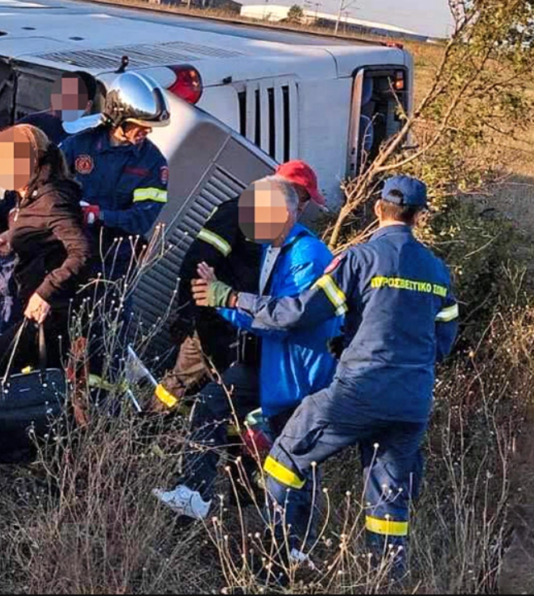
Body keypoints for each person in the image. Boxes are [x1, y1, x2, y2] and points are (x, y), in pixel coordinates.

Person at [199, 175, 459, 577]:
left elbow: (300, 312)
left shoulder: (360, 259)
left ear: (377, 209)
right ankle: (385, 580)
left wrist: (233, 298)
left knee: (283, 461)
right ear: (419, 217)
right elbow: (443, 337)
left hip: (357, 392)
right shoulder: (437, 271)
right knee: (388, 506)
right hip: (411, 401)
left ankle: (279, 561)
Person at [154, 173, 339, 520]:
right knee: (212, 403)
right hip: (268, 361)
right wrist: (218, 301)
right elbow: (259, 315)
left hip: (296, 372)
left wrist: (228, 298)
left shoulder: (307, 254)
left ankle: (297, 544)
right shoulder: (272, 249)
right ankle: (195, 493)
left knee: (294, 457)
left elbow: (286, 318)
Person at [151, 160, 327, 412]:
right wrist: (187, 314)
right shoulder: (239, 212)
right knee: (186, 384)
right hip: (212, 318)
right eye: (301, 196)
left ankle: (187, 436)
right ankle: (148, 427)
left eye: (304, 200)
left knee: (222, 394)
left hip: (237, 320)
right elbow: (198, 261)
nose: (301, 205)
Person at [59, 72, 171, 380]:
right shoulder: (78, 145)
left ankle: (101, 406)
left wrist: (101, 216)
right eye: (139, 124)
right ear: (118, 117)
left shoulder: (152, 164)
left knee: (108, 342)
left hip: (115, 263)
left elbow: (144, 217)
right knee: (58, 330)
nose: (145, 132)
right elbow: (49, 182)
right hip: (68, 254)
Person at [0, 72, 98, 335]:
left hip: (55, 243)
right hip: (23, 219)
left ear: (87, 106)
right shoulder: (34, 126)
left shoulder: (91, 136)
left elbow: (80, 250)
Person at [0, 124, 94, 380]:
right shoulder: (30, 194)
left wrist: (46, 293)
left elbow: (81, 252)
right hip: (37, 308)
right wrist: (11, 238)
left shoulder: (52, 199)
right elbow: (43, 231)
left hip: (53, 312)